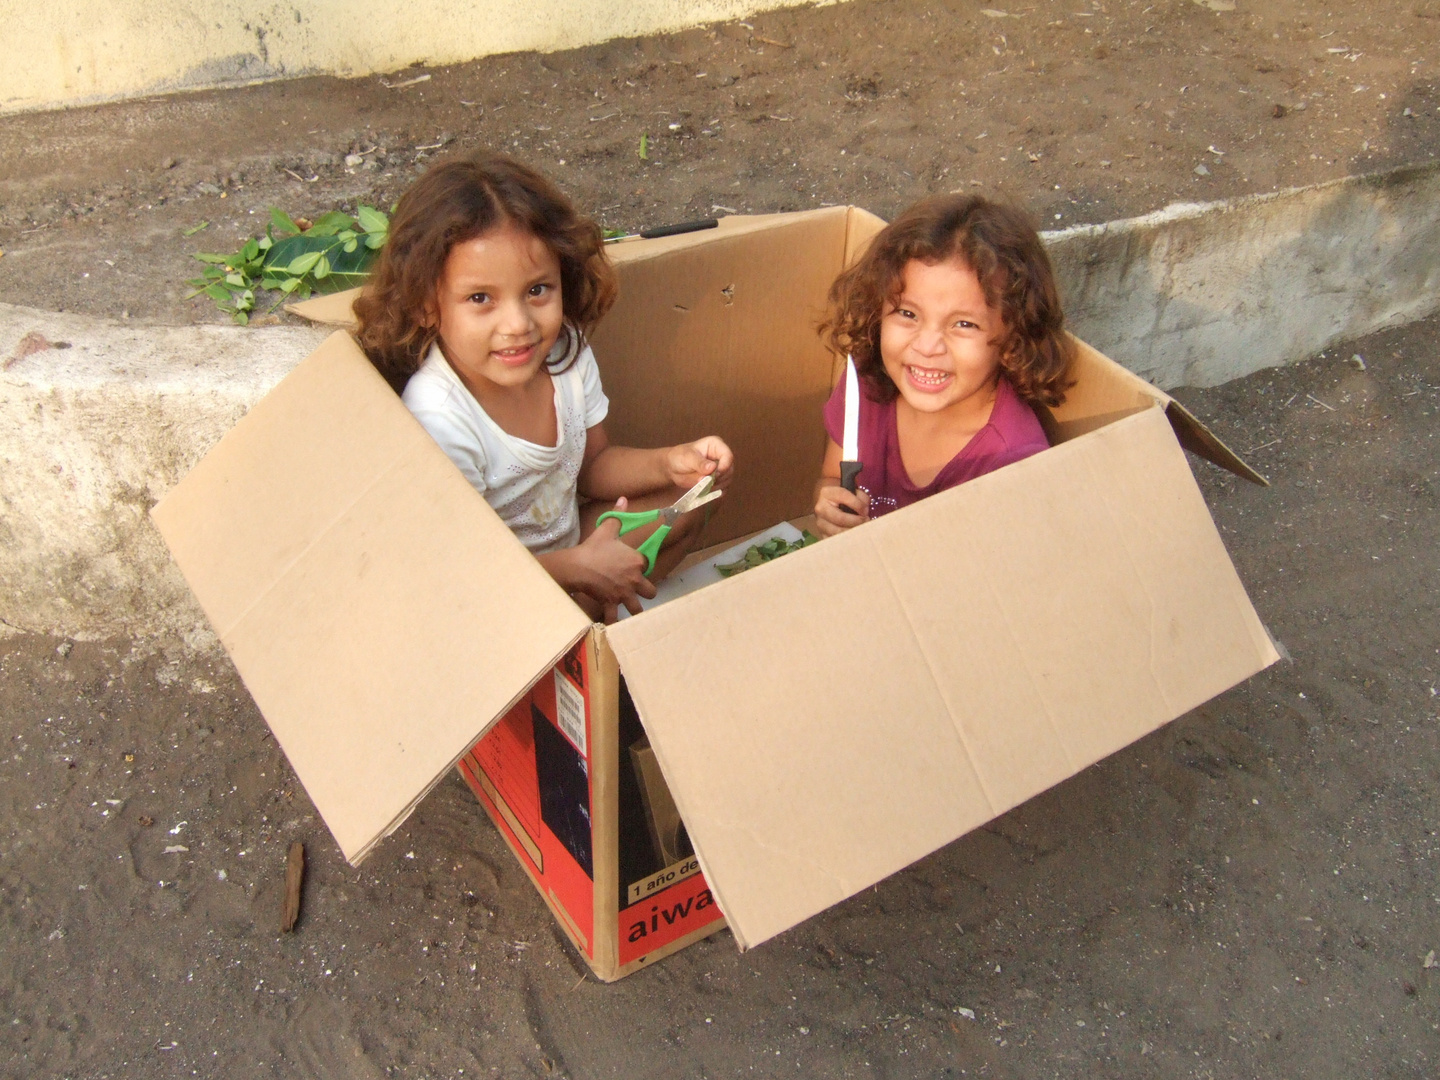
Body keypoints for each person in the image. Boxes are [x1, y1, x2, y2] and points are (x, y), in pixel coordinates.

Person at [354, 151, 733, 620]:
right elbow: (458, 576)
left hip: (576, 541)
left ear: (563, 277)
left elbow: (593, 466)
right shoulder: (440, 418)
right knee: (557, 617)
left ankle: (610, 622)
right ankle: (591, 637)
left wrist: (671, 464)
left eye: (537, 290)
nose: (518, 325)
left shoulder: (564, 353)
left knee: (696, 498)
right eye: (480, 299)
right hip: (503, 597)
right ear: (426, 305)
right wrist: (572, 568)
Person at [812, 194, 1074, 537]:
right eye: (907, 314)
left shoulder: (1012, 465)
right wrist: (831, 508)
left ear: (1014, 337)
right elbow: (831, 477)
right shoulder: (867, 385)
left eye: (964, 324)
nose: (927, 347)